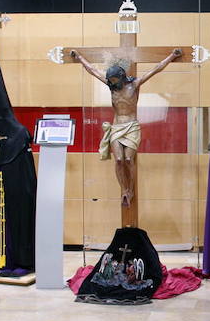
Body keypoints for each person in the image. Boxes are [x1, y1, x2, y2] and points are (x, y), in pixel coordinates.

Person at [71, 48, 182, 207]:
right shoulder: (111, 86)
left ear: (122, 77)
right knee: (118, 160)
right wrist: (80, 58)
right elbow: (93, 70)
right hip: (116, 127)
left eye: (115, 80)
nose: (112, 82)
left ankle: (131, 189)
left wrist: (172, 56)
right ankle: (124, 190)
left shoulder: (134, 85)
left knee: (129, 159)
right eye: (111, 80)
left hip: (131, 127)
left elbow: (155, 69)